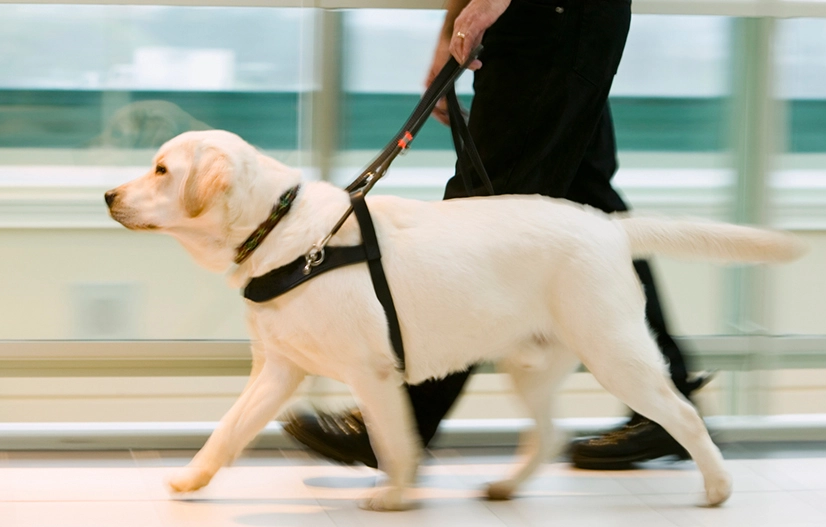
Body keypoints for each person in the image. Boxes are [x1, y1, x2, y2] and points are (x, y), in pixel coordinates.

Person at [283, 0, 711, 471]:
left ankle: (400, 424)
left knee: (476, 219)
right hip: (557, 21)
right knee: (587, 207)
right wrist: (452, 29)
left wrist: (486, 4)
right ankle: (667, 408)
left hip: (550, 18)